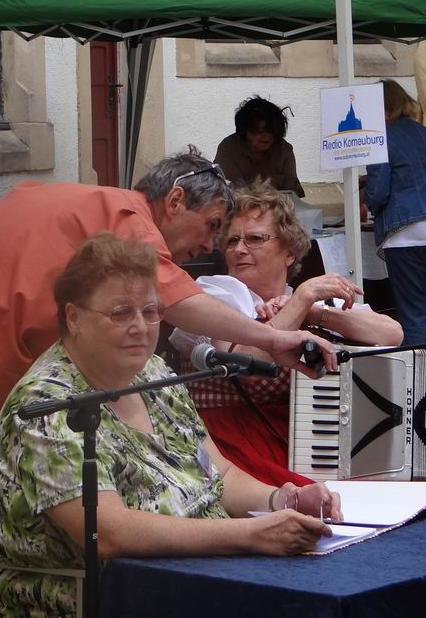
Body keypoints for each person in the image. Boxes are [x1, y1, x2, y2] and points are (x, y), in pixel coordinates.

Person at [0, 148, 350, 604]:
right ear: (174, 200)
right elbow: (177, 300)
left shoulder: (49, 197)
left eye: (147, 314)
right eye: (211, 226)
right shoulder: (126, 217)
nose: (209, 244)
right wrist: (272, 339)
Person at [0, 233, 339, 617]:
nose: (141, 327)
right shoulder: (47, 406)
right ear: (74, 318)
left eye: (151, 312)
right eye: (121, 313)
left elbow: (218, 474)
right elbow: (108, 533)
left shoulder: (152, 371)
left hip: (198, 579)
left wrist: (282, 500)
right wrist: (251, 534)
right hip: (99, 601)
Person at [170, 183, 403, 485]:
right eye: (232, 241)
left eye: (255, 239)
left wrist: (312, 311)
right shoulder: (216, 292)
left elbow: (391, 334)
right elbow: (244, 365)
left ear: (290, 252)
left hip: (315, 441)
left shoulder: (307, 301)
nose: (239, 249)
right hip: (234, 444)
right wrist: (301, 300)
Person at [364, 80, 426, 352]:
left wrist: (364, 196)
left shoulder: (380, 137)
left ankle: (418, 377)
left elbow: (378, 192)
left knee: (413, 316)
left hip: (408, 229)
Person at [214, 95, 304, 195]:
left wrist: (253, 186)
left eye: (272, 131)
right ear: (244, 131)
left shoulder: (284, 149)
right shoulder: (228, 149)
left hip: (279, 204)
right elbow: (227, 191)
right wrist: (277, 181)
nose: (267, 137)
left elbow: (293, 190)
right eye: (260, 132)